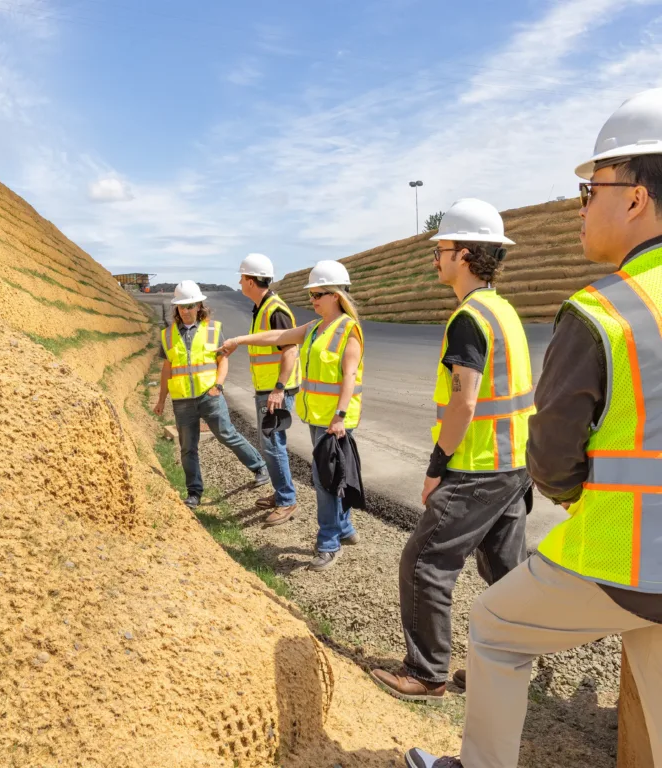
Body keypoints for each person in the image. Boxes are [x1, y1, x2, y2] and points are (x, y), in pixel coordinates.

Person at [406, 89, 662, 768]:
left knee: (492, 627)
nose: (582, 205)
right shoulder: (506, 312)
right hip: (528, 492)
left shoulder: (605, 310)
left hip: (628, 557)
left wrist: (572, 492)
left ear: (635, 197)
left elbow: (555, 455)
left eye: (590, 189)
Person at [372, 199, 534, 705]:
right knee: (505, 575)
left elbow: (464, 403)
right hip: (513, 466)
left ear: (463, 255)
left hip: (477, 466)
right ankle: (504, 667)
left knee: (424, 563)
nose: (435, 259)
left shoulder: (468, 319)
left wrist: (436, 467)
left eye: (440, 250)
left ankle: (426, 674)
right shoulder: (503, 310)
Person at [220, 260, 364, 572]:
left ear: (336, 295)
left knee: (324, 481)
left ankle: (328, 542)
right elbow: (276, 337)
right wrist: (239, 341)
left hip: (335, 422)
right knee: (332, 475)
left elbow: (349, 376)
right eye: (311, 295)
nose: (311, 301)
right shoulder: (314, 329)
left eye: (317, 295)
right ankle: (345, 529)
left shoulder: (348, 331)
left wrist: (339, 416)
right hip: (316, 416)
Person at [153, 280, 268, 508]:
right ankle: (194, 493)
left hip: (210, 395)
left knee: (227, 434)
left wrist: (219, 386)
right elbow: (167, 368)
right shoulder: (167, 335)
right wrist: (161, 399)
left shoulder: (213, 329)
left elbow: (222, 360)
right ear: (177, 308)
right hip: (182, 401)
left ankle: (259, 467)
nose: (187, 311)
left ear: (199, 306)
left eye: (191, 306)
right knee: (188, 447)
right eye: (182, 306)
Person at [237, 253, 302, 525]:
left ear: (251, 281)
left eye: (242, 277)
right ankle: (281, 493)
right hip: (268, 389)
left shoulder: (274, 310)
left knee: (273, 445)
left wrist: (278, 388)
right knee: (271, 444)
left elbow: (290, 350)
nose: (240, 282)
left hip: (276, 391)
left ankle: (287, 500)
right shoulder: (262, 307)